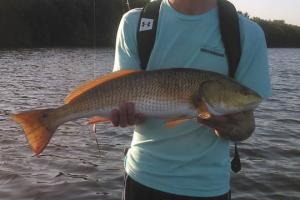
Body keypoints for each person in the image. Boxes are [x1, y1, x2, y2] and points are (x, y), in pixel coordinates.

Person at [113, 0, 272, 199]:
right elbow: (122, 94)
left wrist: (228, 127)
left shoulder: (246, 33)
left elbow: (246, 126)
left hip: (208, 188)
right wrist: (128, 114)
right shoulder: (136, 22)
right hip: (142, 178)